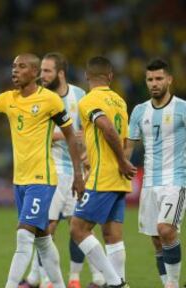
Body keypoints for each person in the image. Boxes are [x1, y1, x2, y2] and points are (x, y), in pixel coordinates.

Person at [0, 53, 84, 288]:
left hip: (43, 178)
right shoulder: (8, 98)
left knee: (24, 234)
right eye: (13, 66)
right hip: (20, 180)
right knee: (43, 238)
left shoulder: (50, 100)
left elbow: (70, 136)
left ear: (35, 73)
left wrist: (78, 175)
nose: (14, 70)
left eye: (21, 66)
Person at [21, 52, 106, 288]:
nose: (42, 75)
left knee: (79, 225)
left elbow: (91, 131)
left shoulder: (80, 96)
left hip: (78, 170)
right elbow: (34, 136)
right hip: (52, 170)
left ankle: (93, 278)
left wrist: (87, 153)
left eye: (47, 71)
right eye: (41, 71)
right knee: (46, 227)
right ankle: (46, 279)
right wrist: (67, 134)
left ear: (60, 73)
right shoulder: (39, 98)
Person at [69, 56, 137, 288]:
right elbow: (127, 140)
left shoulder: (89, 100)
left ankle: (116, 283)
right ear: (110, 77)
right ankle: (118, 282)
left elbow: (106, 127)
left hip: (104, 176)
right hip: (119, 177)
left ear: (87, 76)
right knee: (112, 235)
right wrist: (124, 162)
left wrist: (118, 160)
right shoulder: (120, 101)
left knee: (78, 228)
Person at [126, 58, 186, 288]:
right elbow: (129, 147)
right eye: (150, 79)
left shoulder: (182, 108)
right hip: (149, 183)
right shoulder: (140, 111)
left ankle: (172, 285)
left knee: (165, 229)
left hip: (176, 180)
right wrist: (122, 163)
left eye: (159, 78)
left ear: (169, 80)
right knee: (156, 239)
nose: (154, 83)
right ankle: (167, 284)